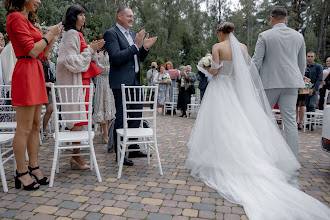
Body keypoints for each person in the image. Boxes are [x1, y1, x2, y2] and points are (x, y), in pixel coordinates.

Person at [186, 21, 330, 220]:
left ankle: (220, 157)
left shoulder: (217, 47)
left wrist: (205, 66)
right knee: (239, 124)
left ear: (220, 32)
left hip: (221, 89)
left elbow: (217, 71)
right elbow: (243, 70)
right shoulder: (243, 47)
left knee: (220, 124)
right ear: (233, 31)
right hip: (237, 89)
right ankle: (245, 155)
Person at [5, 0, 62, 190]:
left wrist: (52, 40)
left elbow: (42, 54)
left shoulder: (27, 20)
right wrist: (48, 35)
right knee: (24, 126)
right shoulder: (15, 18)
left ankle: (34, 167)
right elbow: (30, 50)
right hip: (26, 71)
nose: (39, 1)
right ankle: (20, 171)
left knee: (36, 125)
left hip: (36, 70)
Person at [104, 6, 157, 166]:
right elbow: (115, 57)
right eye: (129, 16)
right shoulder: (111, 33)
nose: (132, 19)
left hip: (135, 81)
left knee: (136, 115)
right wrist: (135, 46)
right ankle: (119, 153)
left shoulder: (133, 35)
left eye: (133, 16)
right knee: (122, 117)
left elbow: (138, 58)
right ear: (119, 16)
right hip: (121, 82)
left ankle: (133, 146)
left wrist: (144, 47)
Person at [252, 7, 306, 158]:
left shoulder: (264, 36)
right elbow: (302, 63)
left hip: (270, 83)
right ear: (286, 19)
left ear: (271, 18)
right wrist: (297, 79)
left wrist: (249, 81)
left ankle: (264, 155)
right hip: (291, 83)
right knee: (290, 121)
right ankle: (293, 159)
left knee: (264, 118)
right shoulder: (298, 36)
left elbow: (256, 62)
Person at [57, 4, 104, 169]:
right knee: (77, 120)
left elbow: (84, 58)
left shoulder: (78, 34)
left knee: (81, 120)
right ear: (73, 17)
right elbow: (69, 60)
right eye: (80, 14)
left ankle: (75, 155)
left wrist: (92, 51)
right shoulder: (71, 34)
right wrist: (90, 49)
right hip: (76, 83)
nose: (83, 17)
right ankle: (76, 155)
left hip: (83, 82)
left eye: (84, 14)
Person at [92, 48, 116, 144]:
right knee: (103, 107)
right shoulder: (101, 53)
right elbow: (101, 68)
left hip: (109, 81)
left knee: (108, 107)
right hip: (103, 82)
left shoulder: (111, 52)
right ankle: (105, 133)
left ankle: (106, 132)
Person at [305, 51, 323, 131]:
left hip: (314, 89)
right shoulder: (304, 66)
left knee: (312, 105)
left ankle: (311, 123)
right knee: (306, 106)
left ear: (314, 57)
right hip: (305, 90)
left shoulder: (318, 66)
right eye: (308, 56)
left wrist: (313, 89)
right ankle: (307, 123)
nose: (310, 58)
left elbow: (319, 79)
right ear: (306, 57)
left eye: (312, 56)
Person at [42, 54, 55, 137]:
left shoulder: (48, 64)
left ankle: (42, 129)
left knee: (51, 108)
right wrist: (44, 84)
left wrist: (50, 89)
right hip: (38, 89)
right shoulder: (38, 61)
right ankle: (39, 131)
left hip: (47, 90)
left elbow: (51, 77)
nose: (49, 54)